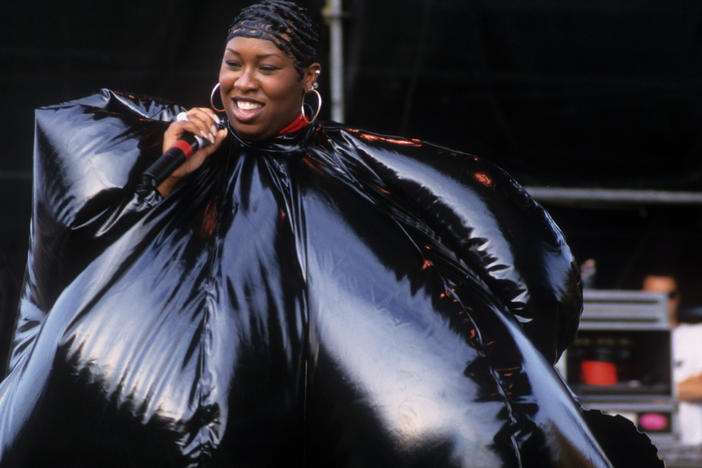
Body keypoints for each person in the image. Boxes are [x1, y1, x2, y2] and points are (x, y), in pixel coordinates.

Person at [0, 1, 661, 466]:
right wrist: (169, 160)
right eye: (234, 63)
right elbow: (83, 230)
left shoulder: (355, 174)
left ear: (309, 78)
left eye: (267, 67)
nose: (243, 83)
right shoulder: (186, 152)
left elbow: (509, 264)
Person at [643, 273, 702, 445]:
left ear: (678, 298)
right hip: (641, 448)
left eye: (669, 295)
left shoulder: (697, 335)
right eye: (653, 296)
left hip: (692, 449)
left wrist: (648, 392)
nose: (662, 301)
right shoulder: (627, 340)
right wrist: (684, 386)